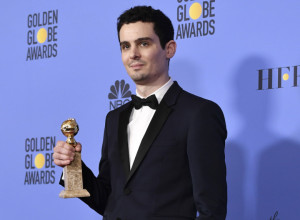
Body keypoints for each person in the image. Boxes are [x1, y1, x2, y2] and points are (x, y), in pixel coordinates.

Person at [53, 6, 227, 220]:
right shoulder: (114, 118)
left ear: (169, 49)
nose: (133, 54)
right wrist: (73, 167)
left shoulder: (199, 113)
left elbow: (212, 210)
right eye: (125, 46)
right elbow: (107, 200)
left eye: (144, 43)